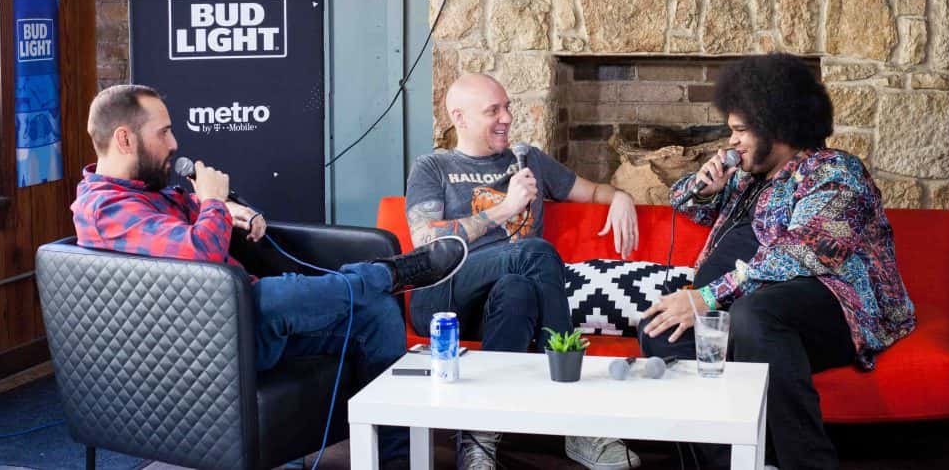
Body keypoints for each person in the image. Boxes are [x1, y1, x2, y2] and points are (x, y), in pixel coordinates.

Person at [71, 84, 469, 470]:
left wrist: (232, 210)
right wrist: (212, 203)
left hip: (241, 324)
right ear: (125, 139)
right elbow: (201, 254)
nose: (174, 144)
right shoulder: (105, 209)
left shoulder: (147, 193)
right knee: (273, 296)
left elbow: (193, 223)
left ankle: (396, 457)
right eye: (163, 132)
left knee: (375, 313)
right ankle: (388, 273)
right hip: (204, 346)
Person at [638, 54, 916, 470]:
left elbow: (801, 253)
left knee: (755, 316)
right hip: (747, 306)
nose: (732, 141)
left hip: (833, 307)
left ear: (776, 125)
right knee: (658, 328)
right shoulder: (747, 178)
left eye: (740, 131)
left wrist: (706, 298)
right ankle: (742, 464)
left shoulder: (835, 173)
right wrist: (705, 185)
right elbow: (682, 201)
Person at [405, 73, 642, 470]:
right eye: (492, 111)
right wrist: (505, 208)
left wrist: (620, 197)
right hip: (443, 298)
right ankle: (575, 419)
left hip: (504, 302)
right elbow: (426, 242)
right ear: (459, 117)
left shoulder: (527, 159)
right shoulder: (433, 167)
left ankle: (478, 439)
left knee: (518, 289)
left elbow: (592, 191)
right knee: (533, 252)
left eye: (507, 107)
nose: (507, 118)